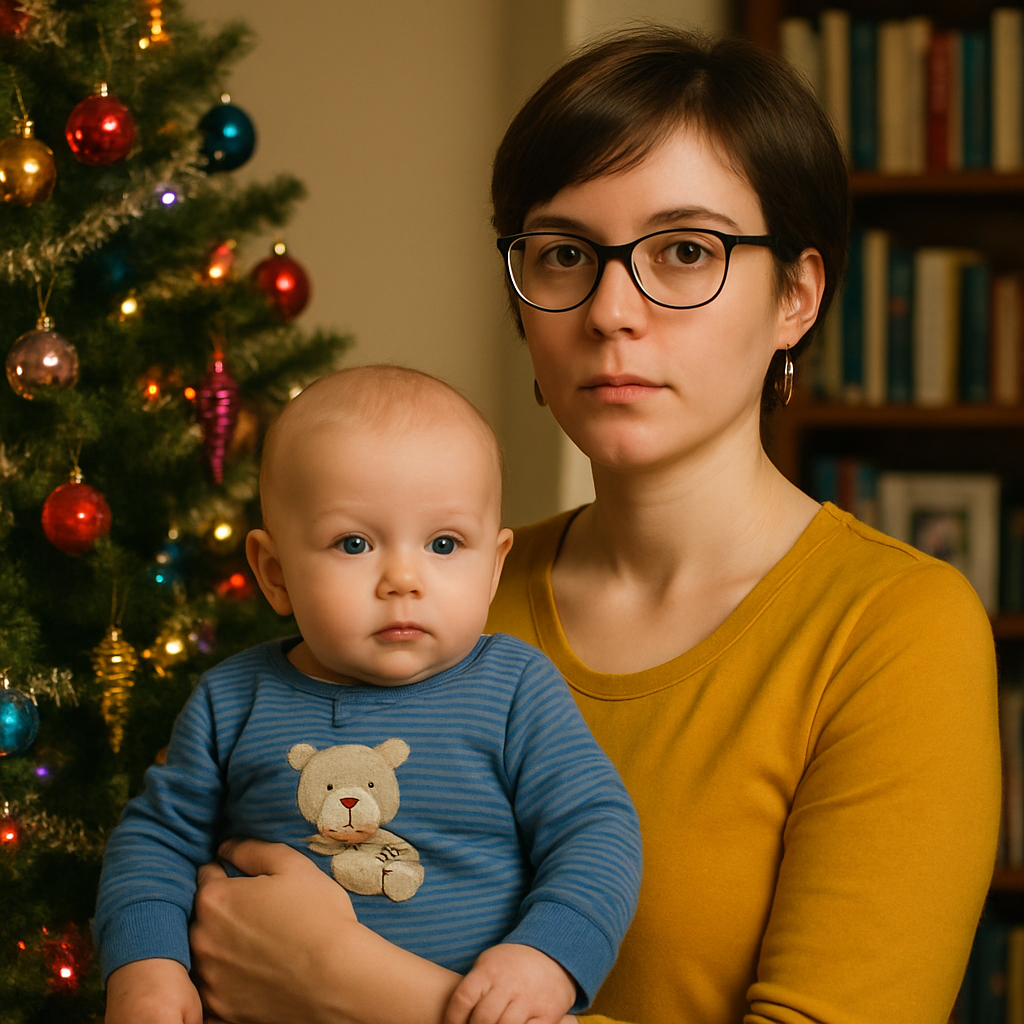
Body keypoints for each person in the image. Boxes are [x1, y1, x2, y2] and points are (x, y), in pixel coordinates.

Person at [185, 27, 1001, 1024]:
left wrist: (351, 987)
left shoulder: (893, 628)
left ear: (795, 295)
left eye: (686, 250)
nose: (612, 308)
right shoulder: (433, 595)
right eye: (565, 254)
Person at [94, 366, 642, 1024]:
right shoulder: (232, 700)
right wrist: (147, 966)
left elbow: (596, 831)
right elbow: (155, 843)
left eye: (444, 543)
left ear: (494, 566)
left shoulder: (514, 690)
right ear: (275, 574)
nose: (403, 579)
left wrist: (548, 956)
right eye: (354, 543)